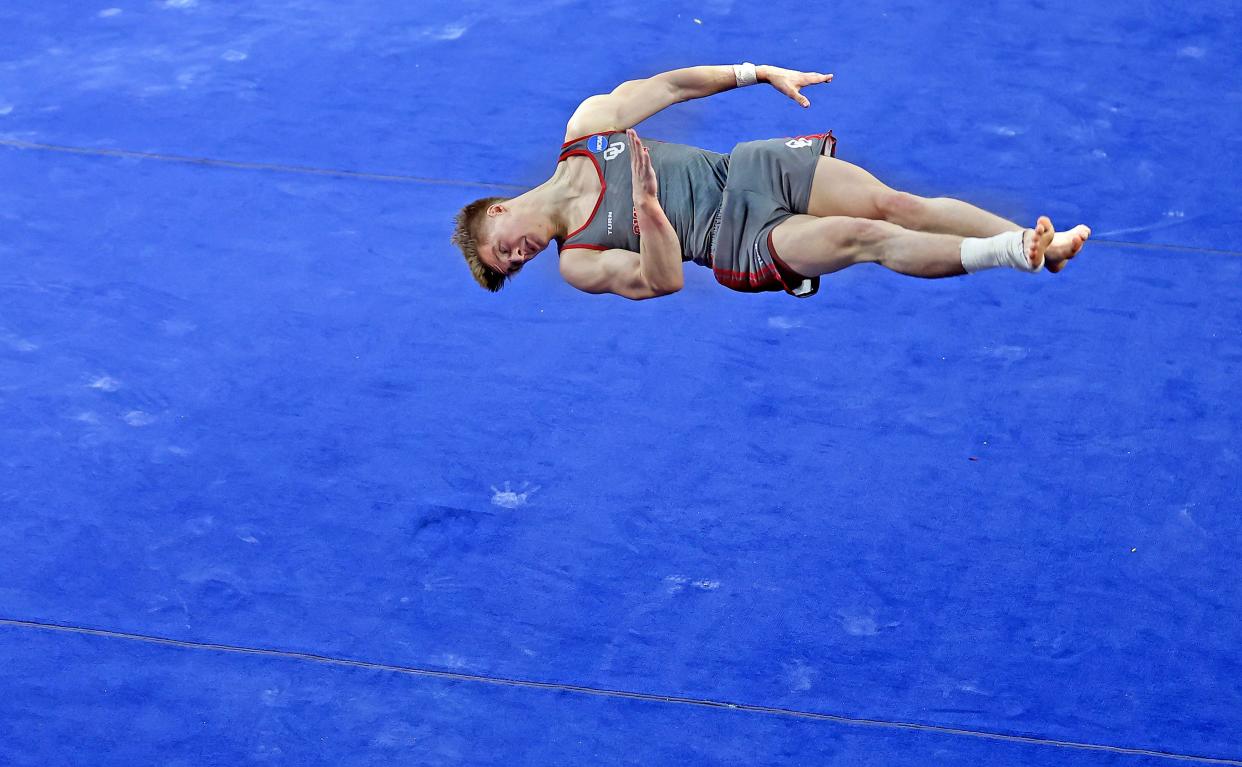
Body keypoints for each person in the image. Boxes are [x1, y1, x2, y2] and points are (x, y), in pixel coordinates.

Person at [450, 63, 1091, 300]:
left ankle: (1049, 247)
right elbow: (663, 281)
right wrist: (647, 208)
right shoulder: (580, 263)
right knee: (865, 233)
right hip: (739, 241)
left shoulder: (589, 130)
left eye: (502, 247)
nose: (517, 258)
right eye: (511, 267)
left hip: (748, 169)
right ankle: (1012, 252)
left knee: (895, 203)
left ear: (500, 210)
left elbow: (669, 86)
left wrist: (756, 72)